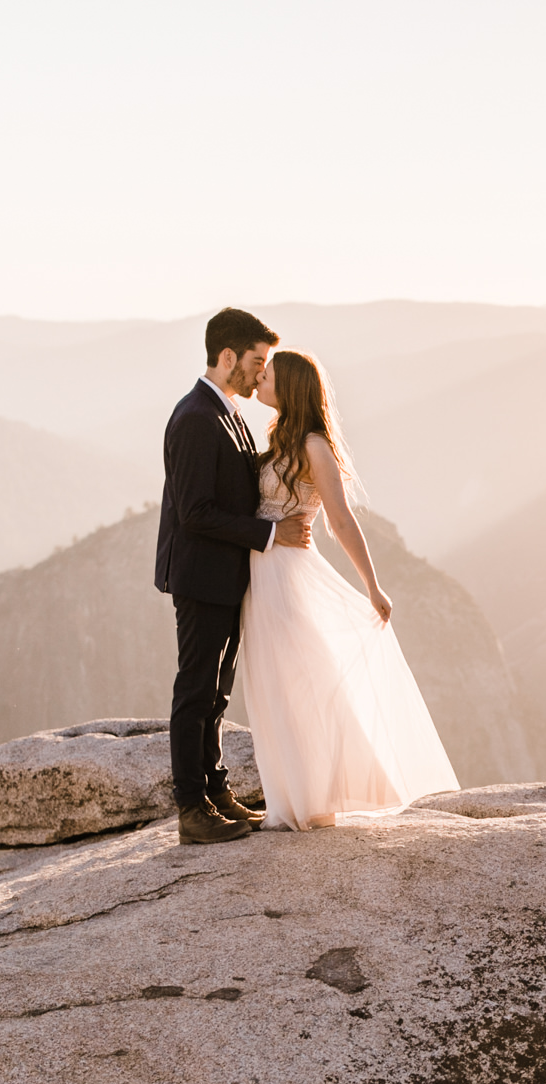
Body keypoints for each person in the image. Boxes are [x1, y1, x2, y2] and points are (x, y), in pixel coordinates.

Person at [239, 349, 459, 829]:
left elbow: (340, 520)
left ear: (291, 387)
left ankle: (316, 804)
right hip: (263, 575)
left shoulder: (313, 445)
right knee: (276, 686)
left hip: (287, 577)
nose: (260, 377)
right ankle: (296, 799)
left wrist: (372, 585)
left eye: (269, 374)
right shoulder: (280, 438)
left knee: (301, 685)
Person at [153, 309, 312, 844]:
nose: (258, 374)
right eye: (255, 362)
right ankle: (190, 809)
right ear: (227, 358)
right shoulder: (197, 416)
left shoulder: (226, 410)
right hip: (201, 577)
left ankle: (216, 790)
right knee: (195, 690)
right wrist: (270, 536)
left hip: (225, 577)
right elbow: (195, 510)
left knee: (217, 692)